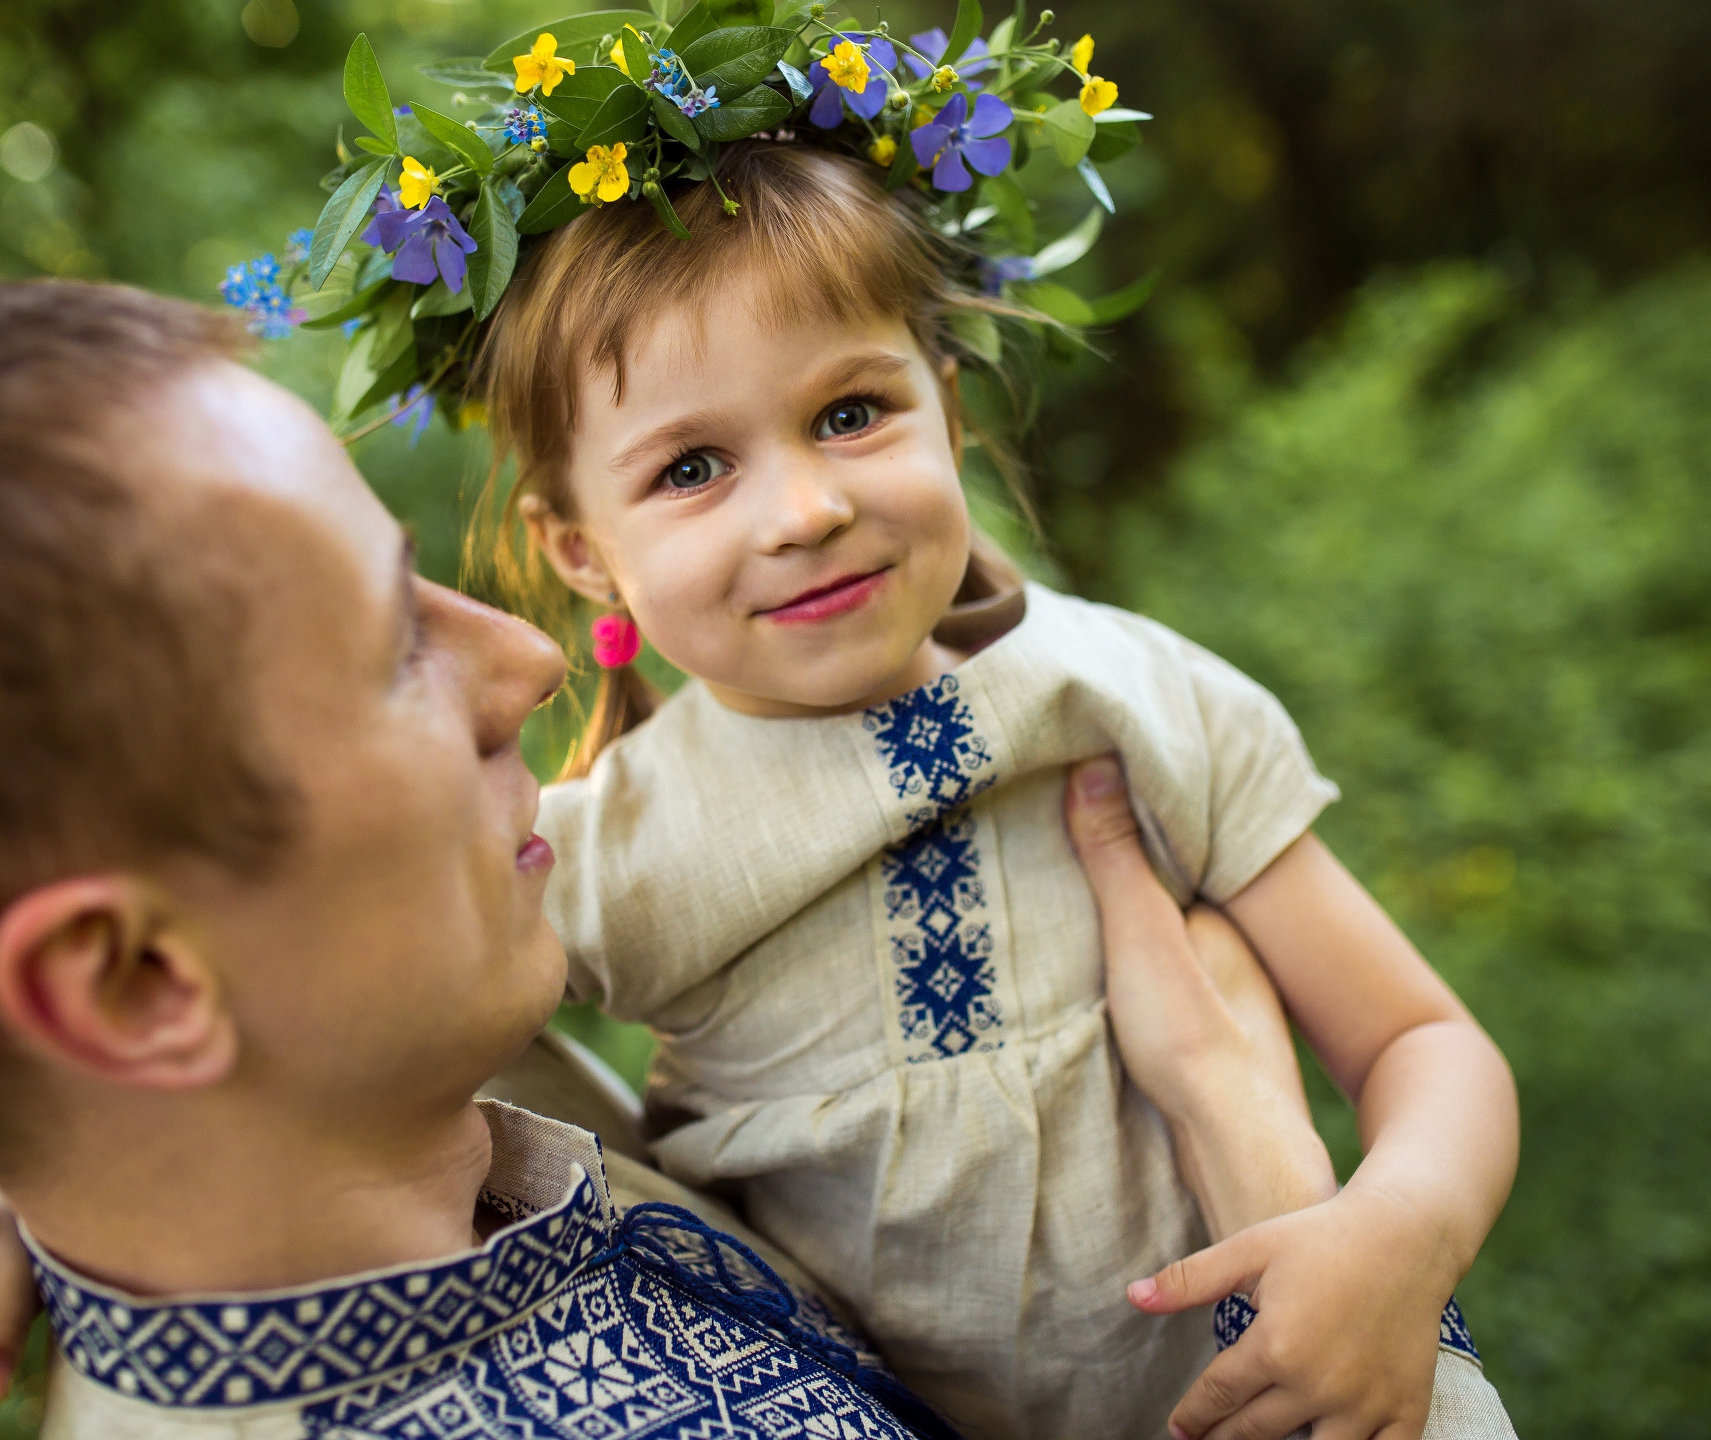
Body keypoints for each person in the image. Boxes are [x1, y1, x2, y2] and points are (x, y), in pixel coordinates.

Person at [0, 281, 1490, 1440]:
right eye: (397, 643)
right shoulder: (607, 872)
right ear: (138, 987)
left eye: (855, 412)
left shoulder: (434, 1103)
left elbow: (206, 1102)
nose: (533, 666)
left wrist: (39, 1184)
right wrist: (1250, 1118)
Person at [481, 142, 1519, 1440]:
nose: (804, 509)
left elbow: (1422, 1041)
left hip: (1272, 1390)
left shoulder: (1125, 698)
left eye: (852, 413)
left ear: (951, 415)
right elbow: (389, 1034)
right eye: (691, 469)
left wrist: (1403, 1229)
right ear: (581, 549)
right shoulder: (600, 857)